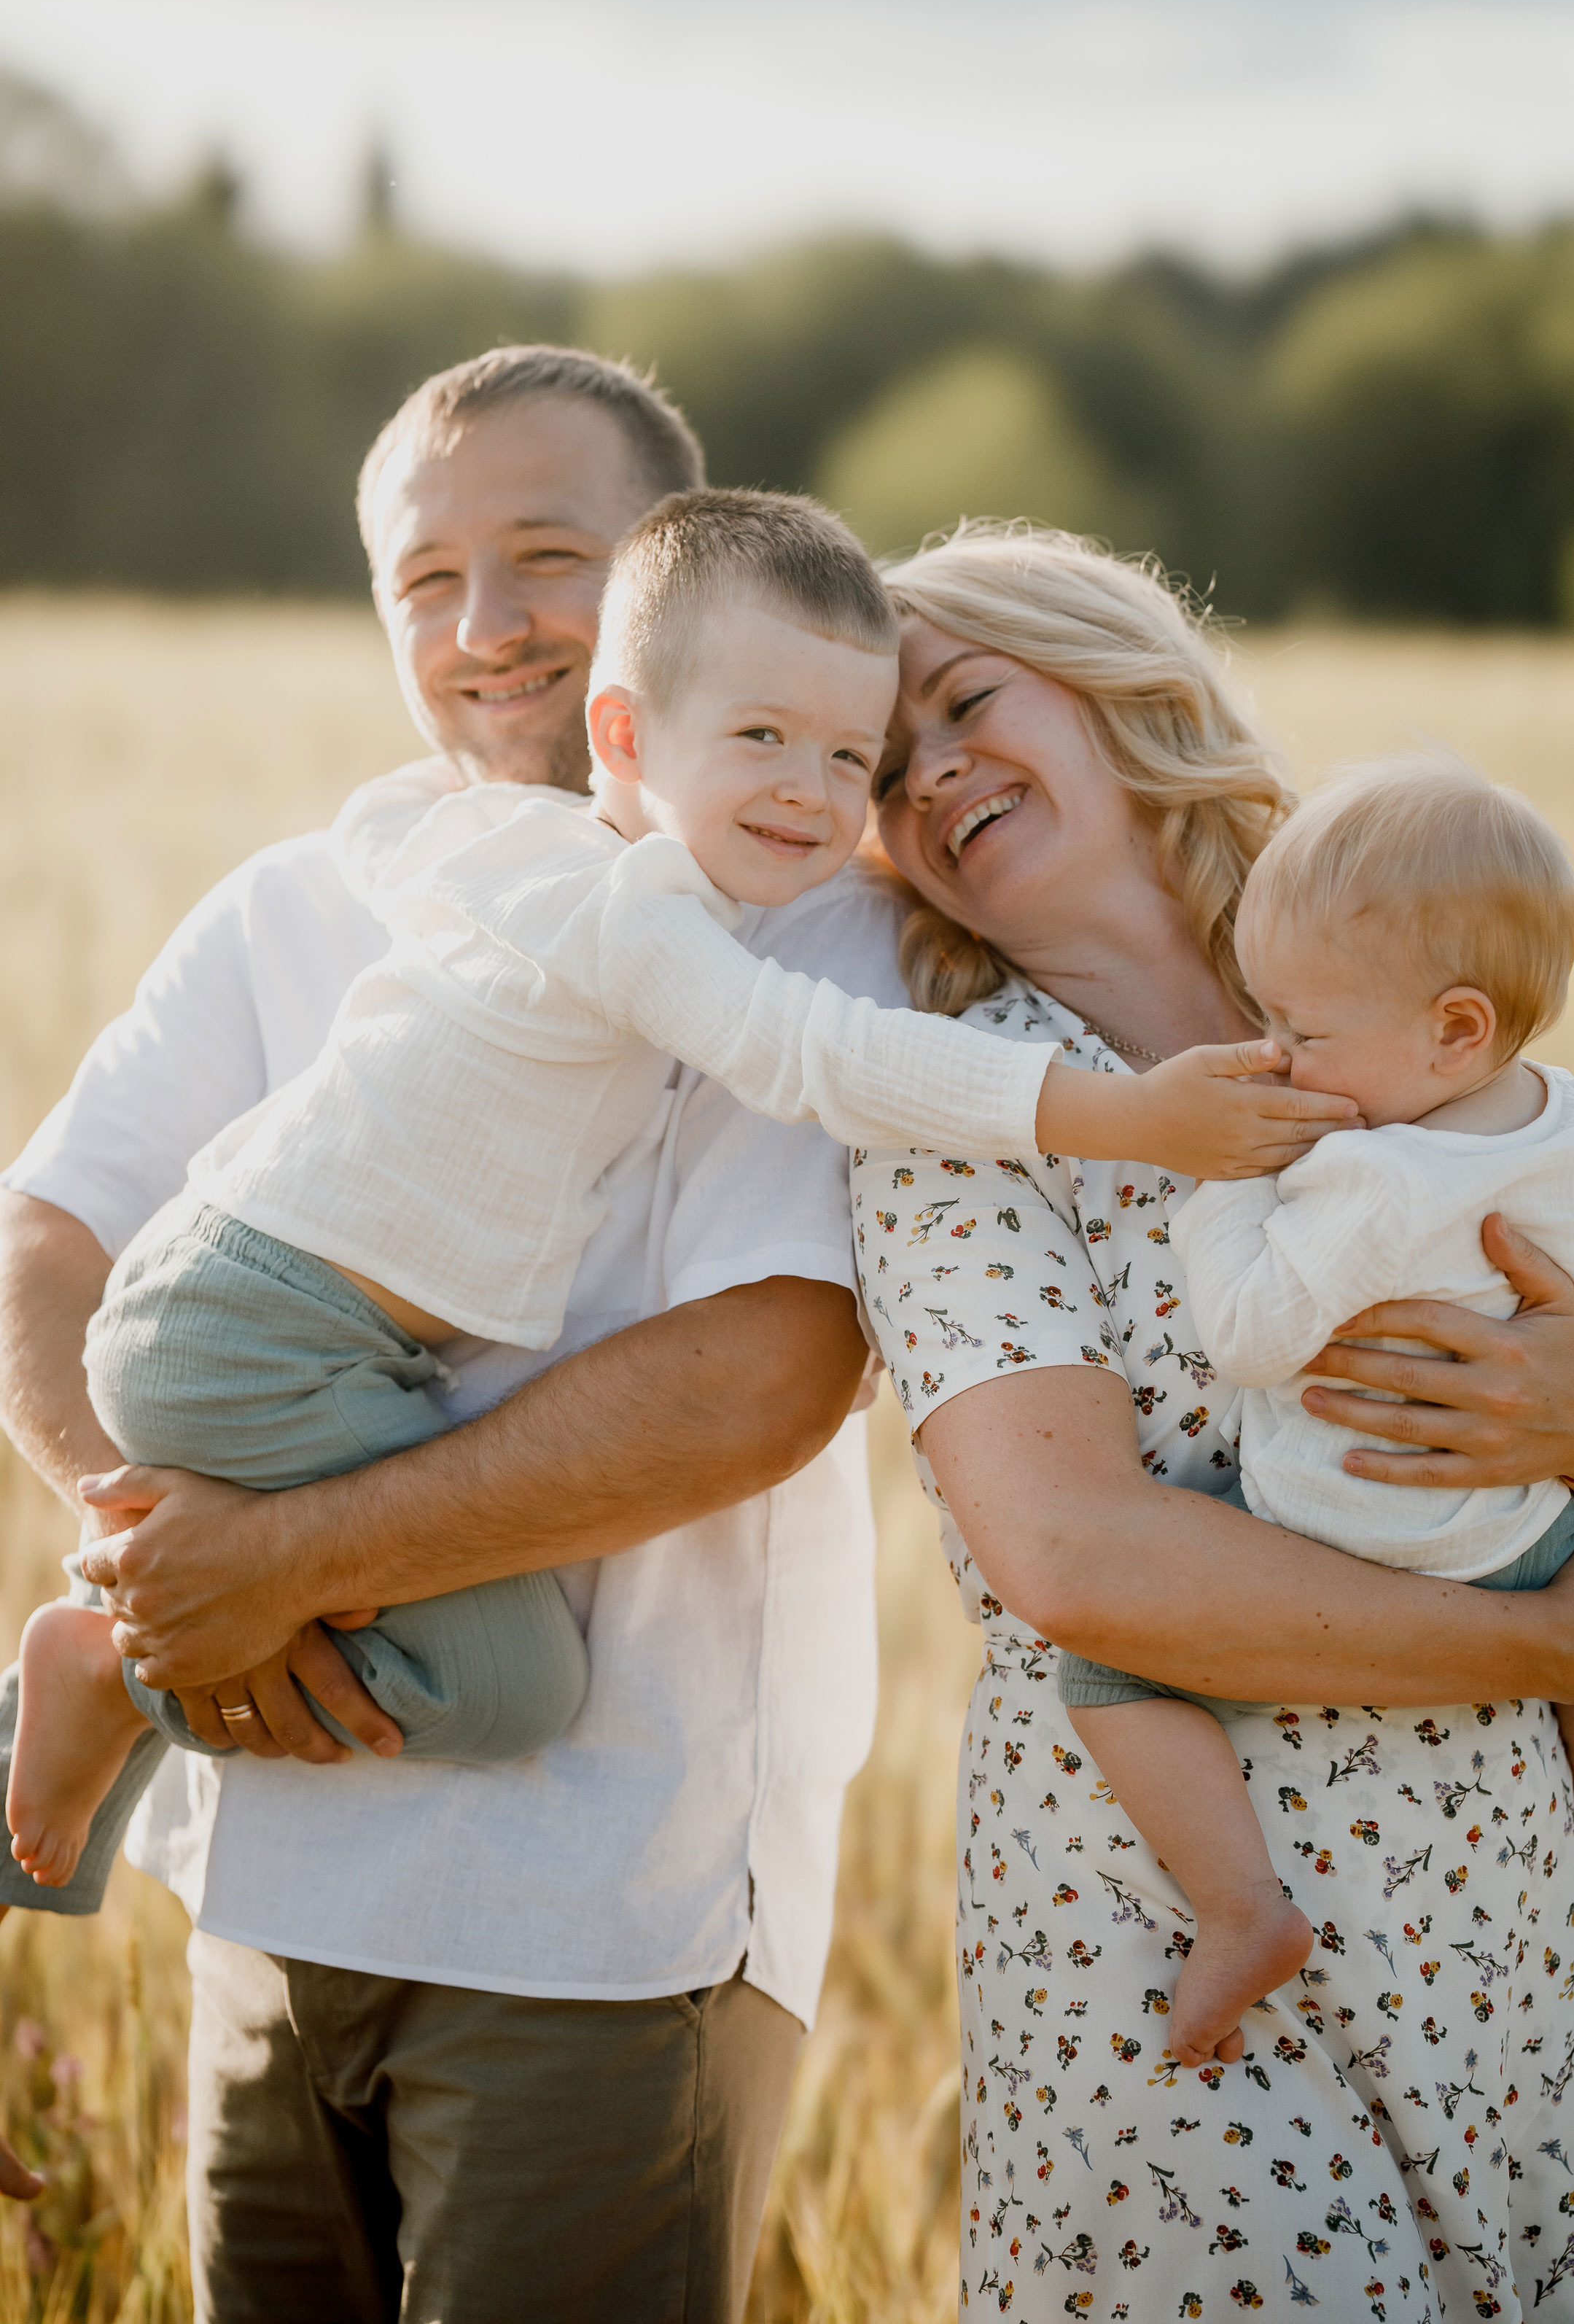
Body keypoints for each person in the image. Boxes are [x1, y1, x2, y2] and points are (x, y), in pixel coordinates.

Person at [6, 488, 1322, 1899]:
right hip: (255, 1327)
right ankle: (106, 1657)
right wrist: (1128, 1115)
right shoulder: (636, 914)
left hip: (267, 1315)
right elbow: (822, 1053)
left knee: (439, 1647)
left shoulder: (531, 859)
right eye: (772, 740)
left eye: (843, 760)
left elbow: (393, 824)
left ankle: (115, 1641)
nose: (827, 796)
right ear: (625, 734)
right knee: (506, 1687)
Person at [0, 347, 898, 2323]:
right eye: (427, 578)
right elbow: (54, 1239)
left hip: (599, 1925)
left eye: (548, 556)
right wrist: (152, 1548)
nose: (484, 630)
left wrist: (285, 1568)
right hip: (258, 1887)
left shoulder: (795, 916)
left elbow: (759, 1377)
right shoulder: (297, 900)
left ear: (665, 578)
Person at [852, 523, 1574, 2320]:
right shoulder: (960, 1116)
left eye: (966, 698)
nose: (928, 769)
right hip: (1175, 1928)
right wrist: (1545, 1636)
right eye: (880, 757)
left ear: (1121, 688)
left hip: (1495, 1907)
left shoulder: (1382, 990)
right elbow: (1079, 1560)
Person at [1056, 750, 1574, 2079]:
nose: (1279, 1054)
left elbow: (1243, 1333)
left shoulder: (1365, 1176)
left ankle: (1241, 1909)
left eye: (1305, 1031)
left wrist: (1228, 1180)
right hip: (1532, 1530)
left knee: (1105, 1670)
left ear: (1454, 1030)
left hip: (1352, 1525)